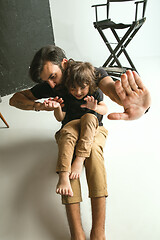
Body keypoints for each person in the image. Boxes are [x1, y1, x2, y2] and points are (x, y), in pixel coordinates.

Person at [9, 45, 151, 240]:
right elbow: (15, 99)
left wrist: (136, 104)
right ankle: (77, 235)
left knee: (92, 150)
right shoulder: (52, 85)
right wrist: (39, 105)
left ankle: (98, 233)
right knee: (67, 157)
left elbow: (110, 90)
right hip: (69, 131)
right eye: (46, 81)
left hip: (94, 129)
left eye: (52, 76)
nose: (50, 85)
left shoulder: (91, 73)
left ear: (65, 64)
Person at [44, 60, 108, 198]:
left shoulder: (94, 93)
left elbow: (105, 109)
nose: (77, 92)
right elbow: (61, 118)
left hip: (90, 126)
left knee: (90, 117)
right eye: (73, 88)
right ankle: (63, 176)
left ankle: (79, 160)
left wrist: (94, 108)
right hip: (72, 125)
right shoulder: (66, 95)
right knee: (67, 133)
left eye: (82, 88)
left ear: (89, 85)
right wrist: (57, 108)